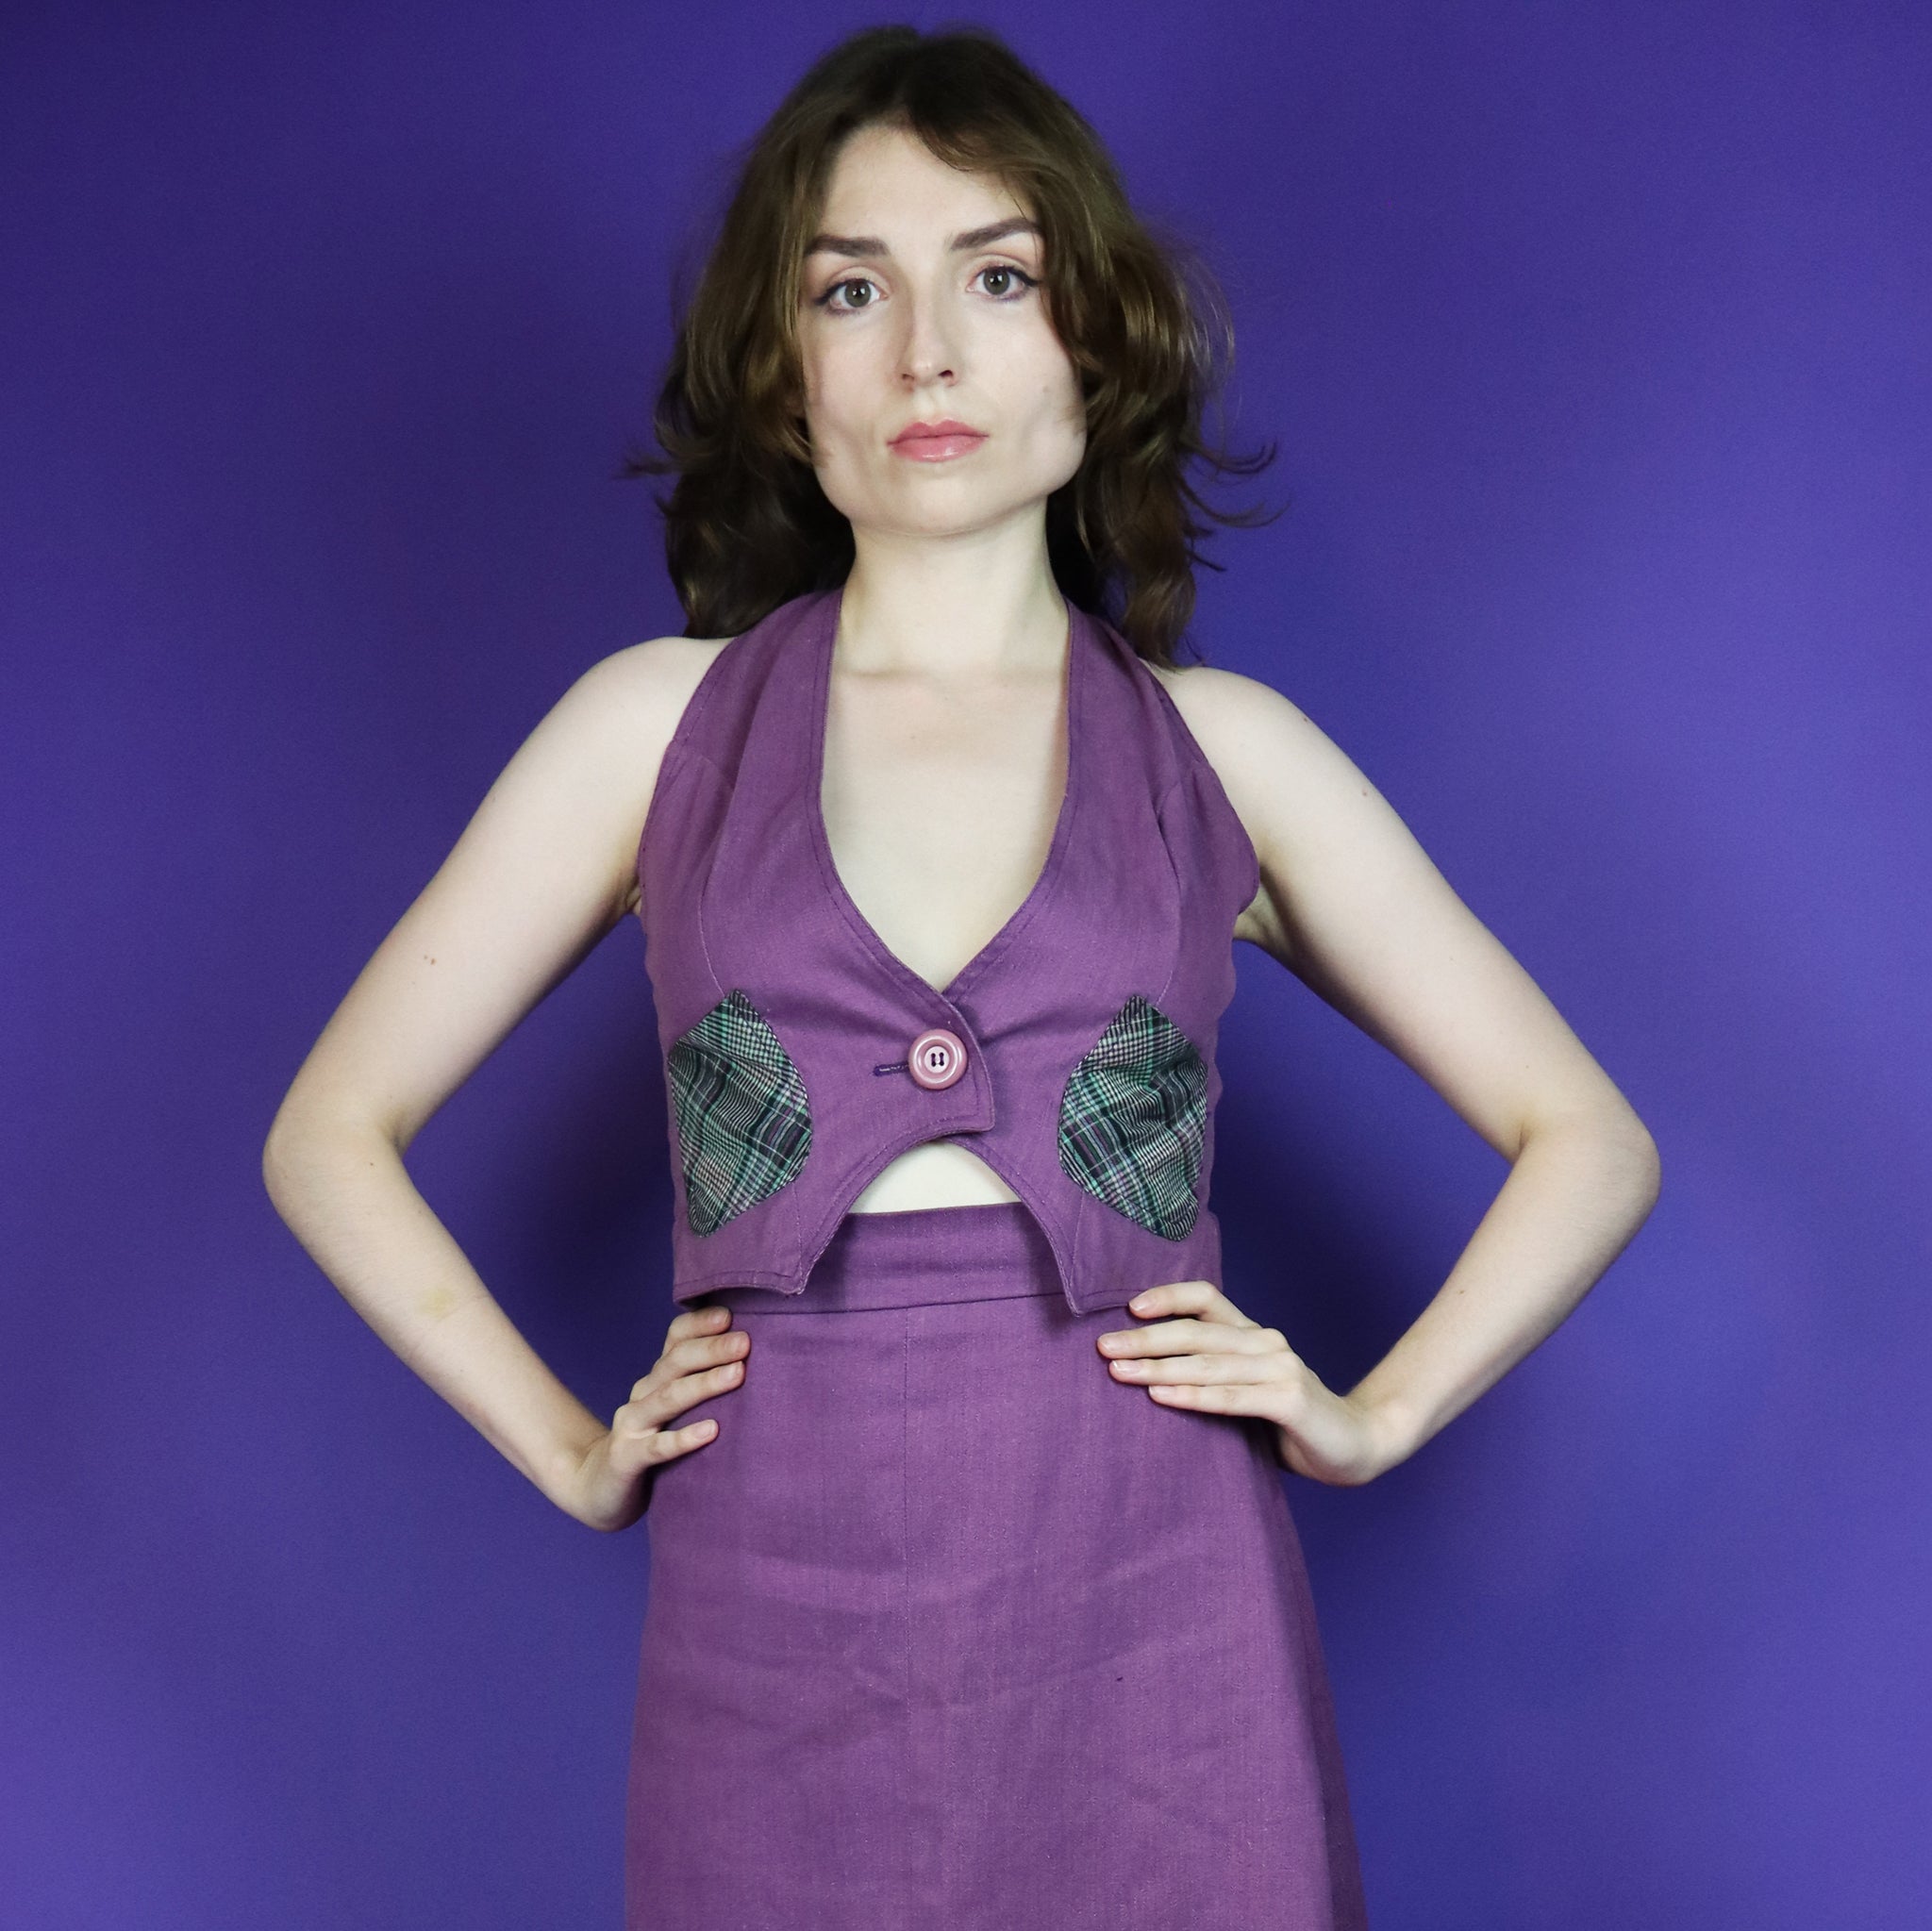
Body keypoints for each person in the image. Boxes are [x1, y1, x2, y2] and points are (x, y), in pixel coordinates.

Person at [263, 24, 1660, 1930]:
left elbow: (1586, 1136)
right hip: (771, 1621)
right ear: (784, 375)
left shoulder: (1225, 755)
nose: (926, 349)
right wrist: (576, 1452)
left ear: (1096, 349)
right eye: (853, 288)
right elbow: (330, 1133)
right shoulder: (651, 733)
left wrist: (1372, 1416)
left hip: (1162, 1613)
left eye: (997, 278)